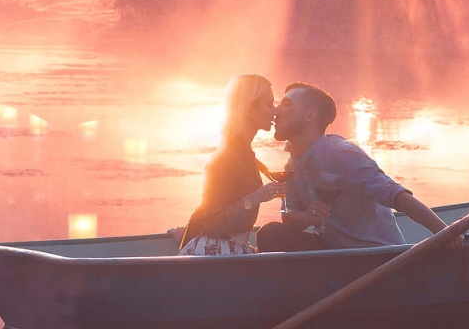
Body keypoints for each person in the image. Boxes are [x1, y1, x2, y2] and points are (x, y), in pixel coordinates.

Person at [255, 82, 447, 251]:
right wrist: (306, 218)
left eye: (286, 105)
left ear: (311, 116)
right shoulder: (293, 161)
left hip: (374, 256)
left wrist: (445, 232)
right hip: (333, 252)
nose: (276, 111)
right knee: (270, 234)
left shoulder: (343, 154)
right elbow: (289, 216)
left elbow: (397, 196)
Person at [177, 73, 283, 255]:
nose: (275, 111)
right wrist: (255, 198)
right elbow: (211, 223)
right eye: (269, 104)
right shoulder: (229, 157)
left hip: (230, 247)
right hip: (218, 252)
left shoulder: (241, 152)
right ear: (250, 109)